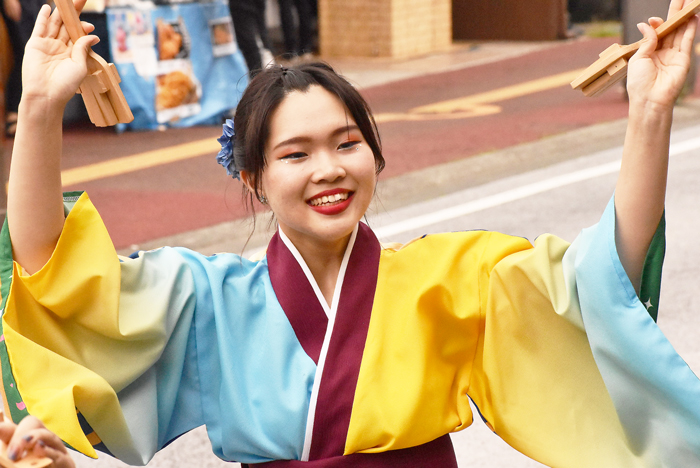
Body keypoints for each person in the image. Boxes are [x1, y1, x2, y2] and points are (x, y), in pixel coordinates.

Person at [3, 0, 700, 466]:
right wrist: (37, 107)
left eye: (346, 143)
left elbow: (604, 281)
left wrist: (650, 112)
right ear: (252, 178)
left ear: (375, 154)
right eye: (296, 154)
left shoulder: (452, 280)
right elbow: (55, 271)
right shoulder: (207, 299)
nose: (329, 170)